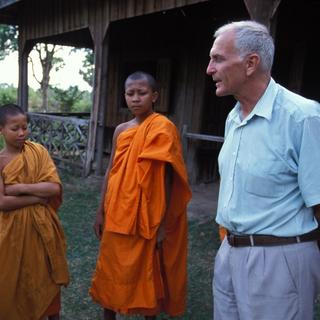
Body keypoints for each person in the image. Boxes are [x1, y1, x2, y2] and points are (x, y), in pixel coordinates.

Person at [206, 20, 320, 319]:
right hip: (229, 251)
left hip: (280, 259)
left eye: (217, 58)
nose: (209, 69)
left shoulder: (302, 117)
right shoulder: (234, 118)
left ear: (250, 63)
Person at [89, 71, 191, 320]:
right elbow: (111, 171)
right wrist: (100, 210)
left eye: (142, 93)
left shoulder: (163, 128)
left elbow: (167, 179)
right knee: (111, 269)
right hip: (116, 212)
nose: (135, 98)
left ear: (154, 96)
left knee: (147, 272)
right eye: (130, 93)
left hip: (147, 215)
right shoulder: (121, 130)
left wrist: (163, 223)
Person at [0, 104, 69, 320]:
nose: (22, 133)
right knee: (14, 281)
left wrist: (19, 189)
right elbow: (2, 202)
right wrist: (37, 198)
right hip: (11, 232)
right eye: (15, 128)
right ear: (1, 129)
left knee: (46, 277)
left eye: (25, 127)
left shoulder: (38, 152)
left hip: (42, 229)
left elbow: (54, 188)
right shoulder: (0, 161)